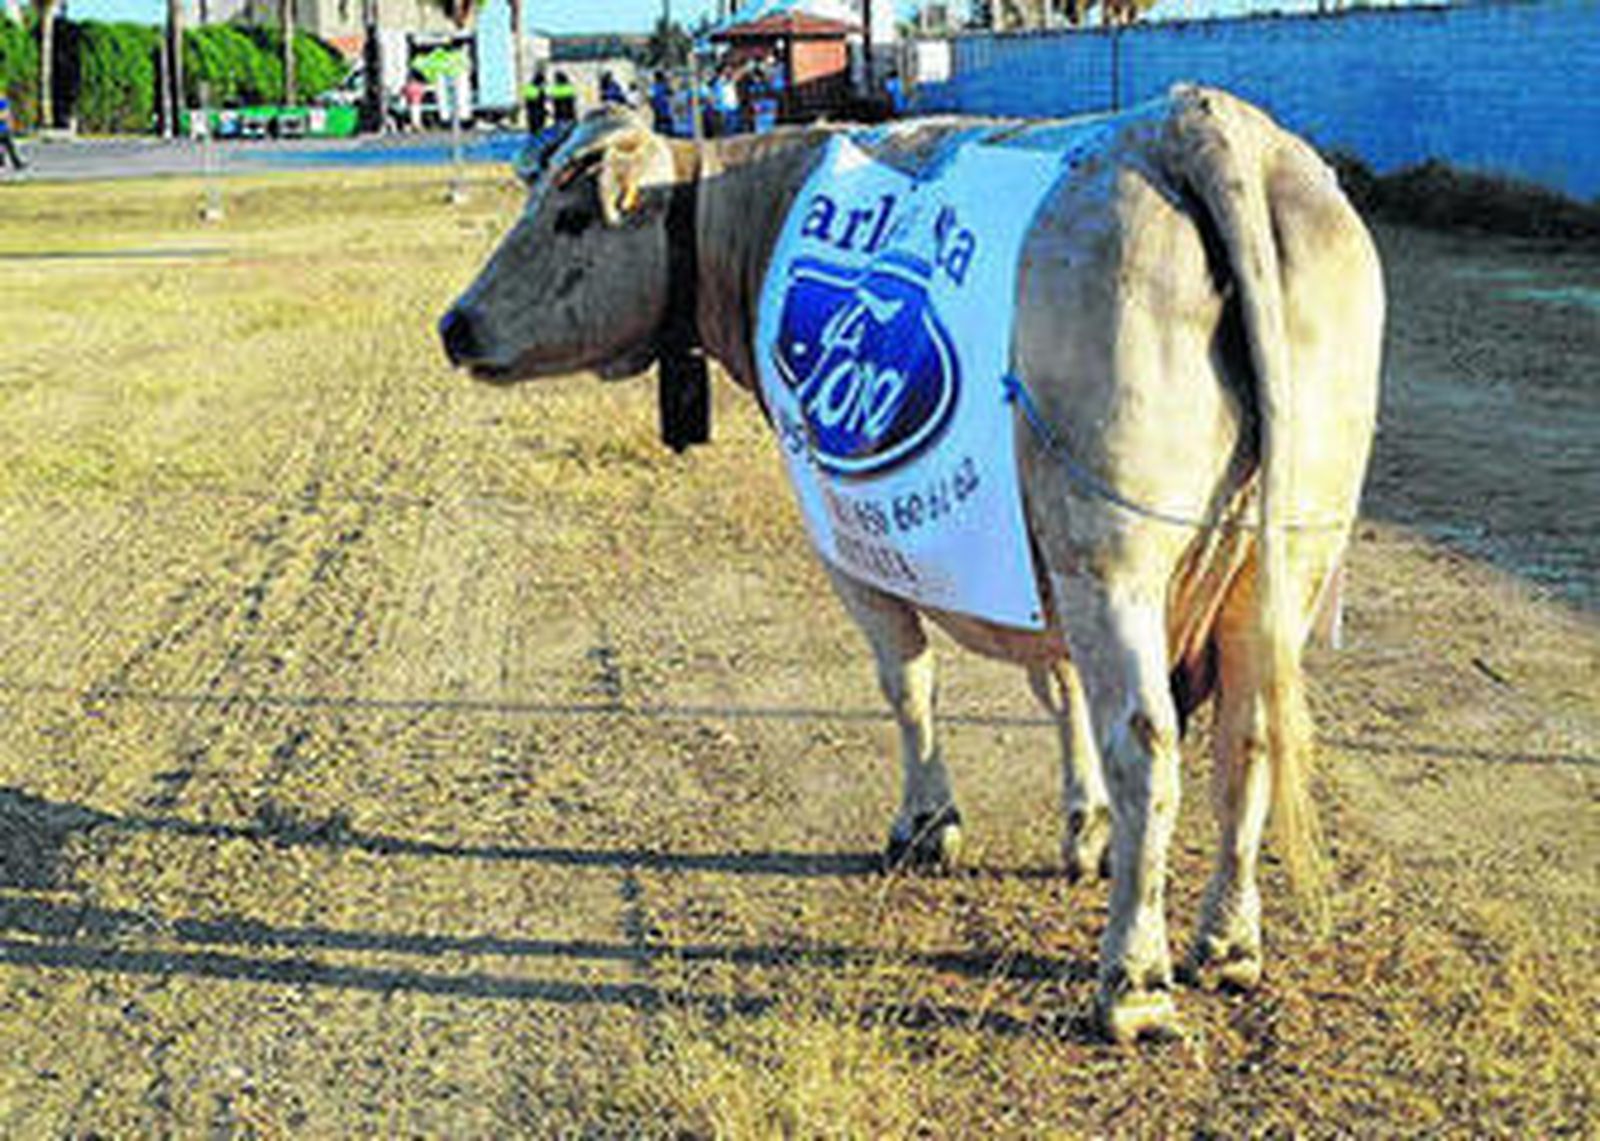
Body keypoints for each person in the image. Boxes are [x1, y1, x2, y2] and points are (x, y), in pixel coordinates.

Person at [0, 94, 27, 173]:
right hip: (3, 129)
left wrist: (10, 124)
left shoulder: (2, 100)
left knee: (9, 146)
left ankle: (15, 163)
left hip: (3, 129)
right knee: (5, 147)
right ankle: (10, 164)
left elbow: (7, 114)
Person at [522, 69, 547, 135]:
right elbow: (539, 99)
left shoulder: (532, 87)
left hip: (534, 109)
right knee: (536, 123)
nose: (543, 84)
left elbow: (542, 98)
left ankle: (536, 132)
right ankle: (537, 133)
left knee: (535, 123)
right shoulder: (536, 88)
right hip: (535, 109)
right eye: (542, 81)